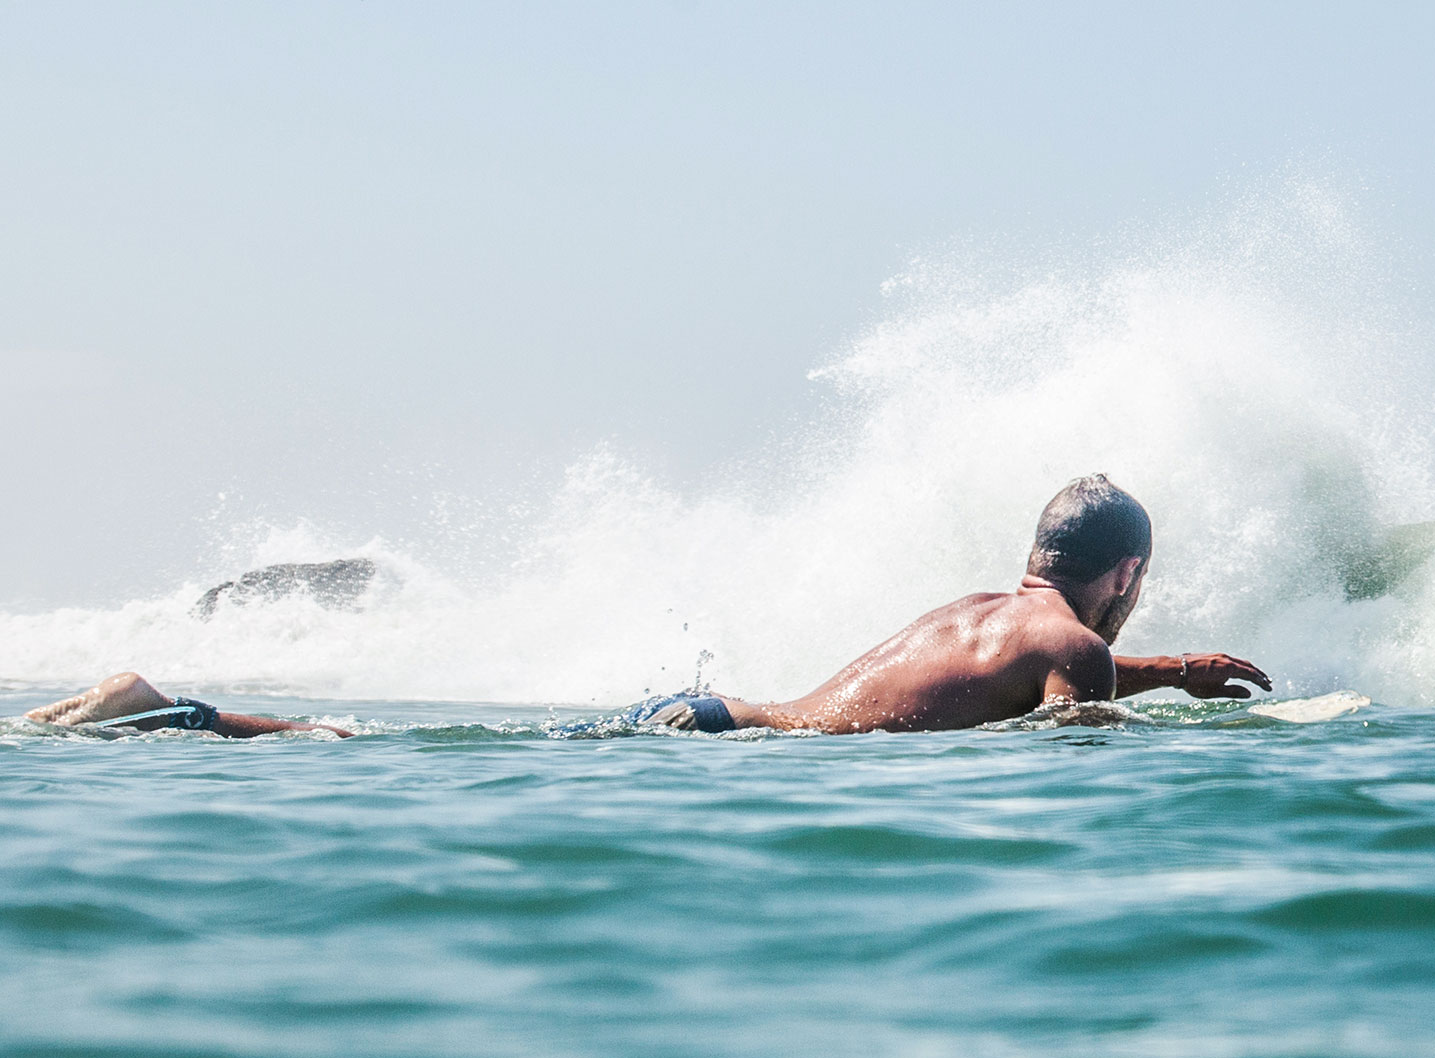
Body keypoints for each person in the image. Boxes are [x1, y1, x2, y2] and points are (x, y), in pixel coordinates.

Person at [24, 475, 1272, 739]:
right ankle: (164, 710)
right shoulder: (1070, 651)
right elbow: (1066, 722)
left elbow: (1027, 674)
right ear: (1126, 576)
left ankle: (170, 711)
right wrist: (1158, 714)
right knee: (368, 756)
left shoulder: (986, 606)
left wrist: (1171, 671)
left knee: (399, 755)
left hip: (712, 721)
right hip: (720, 758)